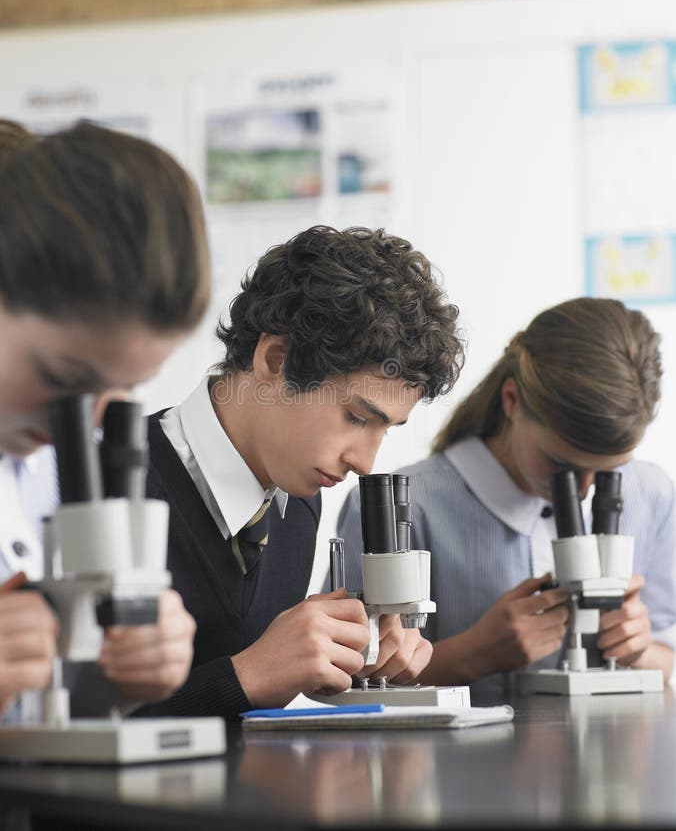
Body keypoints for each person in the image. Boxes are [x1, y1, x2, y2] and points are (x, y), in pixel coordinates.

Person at [133, 224, 464, 719]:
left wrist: (349, 659)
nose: (365, 463)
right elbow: (48, 735)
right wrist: (247, 676)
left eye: (386, 430)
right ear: (275, 359)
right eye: (356, 417)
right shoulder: (104, 486)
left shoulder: (301, 498)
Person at [337, 297, 676, 699]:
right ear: (512, 401)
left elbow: (666, 657)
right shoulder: (402, 506)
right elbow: (350, 684)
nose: (584, 492)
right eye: (562, 466)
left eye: (608, 475)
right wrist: (474, 655)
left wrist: (638, 647)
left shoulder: (651, 494)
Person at [0, 118, 211, 719]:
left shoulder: (42, 462)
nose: (87, 421)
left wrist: (120, 675)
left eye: (122, 390)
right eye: (64, 381)